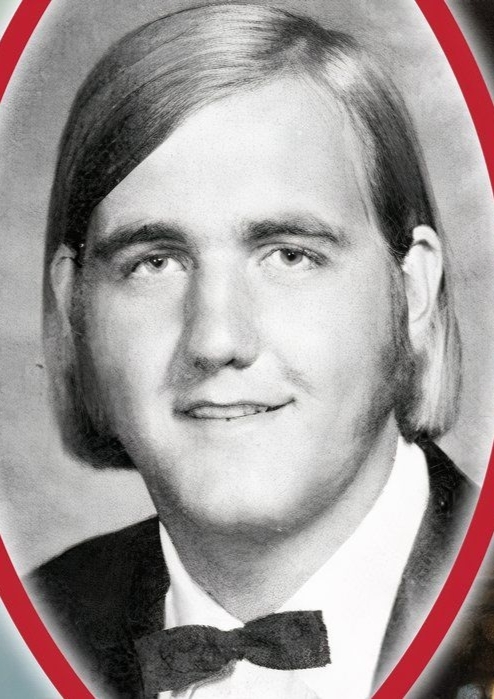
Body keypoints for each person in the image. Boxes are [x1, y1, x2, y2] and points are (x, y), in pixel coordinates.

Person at [27, 4, 482, 698]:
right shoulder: (32, 624)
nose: (216, 340)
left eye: (289, 254)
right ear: (75, 309)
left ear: (413, 290)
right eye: (154, 262)